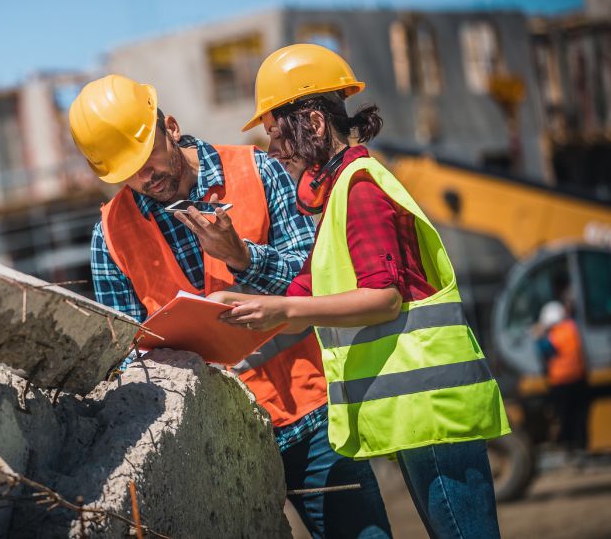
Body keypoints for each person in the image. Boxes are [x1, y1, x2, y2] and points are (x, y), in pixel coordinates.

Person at [70, 74, 392, 538]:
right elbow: (125, 359)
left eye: (146, 157)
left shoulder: (258, 170)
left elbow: (319, 278)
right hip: (212, 445)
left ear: (172, 128)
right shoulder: (111, 235)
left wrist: (242, 258)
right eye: (127, 171)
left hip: (309, 416)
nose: (145, 177)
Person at [210, 44, 511, 538]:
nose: (274, 149)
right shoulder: (340, 193)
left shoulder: (361, 188)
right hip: (420, 413)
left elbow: (384, 297)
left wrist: (282, 305)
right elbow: (307, 289)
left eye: (277, 132)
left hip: (435, 411)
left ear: (311, 123)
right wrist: (234, 300)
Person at [536, 300, 589, 453]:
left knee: (565, 417)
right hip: (578, 378)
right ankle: (581, 446)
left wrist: (539, 337)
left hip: (561, 382)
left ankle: (569, 447)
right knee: (579, 416)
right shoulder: (572, 327)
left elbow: (547, 350)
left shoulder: (554, 334)